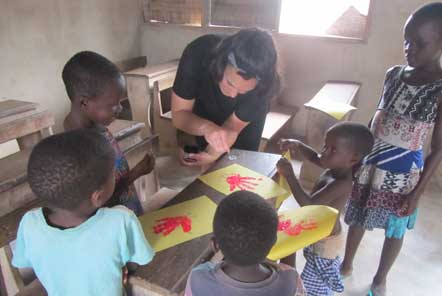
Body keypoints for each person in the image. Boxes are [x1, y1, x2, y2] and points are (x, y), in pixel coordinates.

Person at [340, 3, 442, 296]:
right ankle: (347, 263)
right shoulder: (394, 74)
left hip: (404, 175)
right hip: (371, 162)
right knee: (357, 215)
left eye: (420, 43)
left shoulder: (440, 89)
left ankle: (380, 278)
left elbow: (438, 147)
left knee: (394, 229)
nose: (409, 48)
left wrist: (417, 192)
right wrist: (358, 154)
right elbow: (377, 116)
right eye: (406, 39)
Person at [12, 129, 155, 296]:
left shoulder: (29, 223)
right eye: (113, 174)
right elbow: (138, 262)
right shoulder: (120, 220)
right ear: (98, 196)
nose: (116, 176)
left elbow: (27, 262)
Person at [277, 122, 374, 296]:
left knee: (314, 283)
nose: (324, 152)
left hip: (326, 242)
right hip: (318, 230)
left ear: (353, 158)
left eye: (333, 149)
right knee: (304, 263)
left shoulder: (342, 182)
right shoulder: (335, 166)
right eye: (325, 145)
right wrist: (297, 145)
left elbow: (308, 204)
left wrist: (290, 175)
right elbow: (315, 157)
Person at [171, 28, 281, 166]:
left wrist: (211, 155)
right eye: (230, 83)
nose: (233, 94)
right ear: (221, 64)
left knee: (237, 167)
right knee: (205, 168)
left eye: (243, 91)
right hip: (206, 106)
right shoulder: (198, 53)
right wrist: (206, 128)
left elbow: (233, 126)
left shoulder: (263, 89)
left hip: (242, 124)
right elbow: (179, 114)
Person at [63, 51, 155, 216]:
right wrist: (136, 173)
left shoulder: (95, 125)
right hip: (114, 224)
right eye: (113, 105)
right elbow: (99, 201)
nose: (120, 109)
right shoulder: (79, 148)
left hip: (128, 210)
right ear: (84, 102)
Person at [184, 190, 306, 296]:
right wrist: (290, 247)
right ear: (273, 243)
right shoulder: (291, 280)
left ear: (215, 245)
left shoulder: (198, 277)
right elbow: (290, 278)